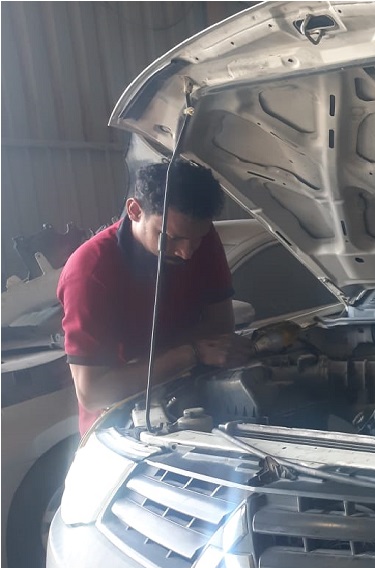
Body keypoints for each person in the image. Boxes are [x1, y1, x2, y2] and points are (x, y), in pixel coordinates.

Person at [58, 160, 248, 435]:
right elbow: (94, 392)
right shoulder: (90, 271)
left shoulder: (197, 237)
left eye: (197, 238)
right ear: (134, 210)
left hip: (194, 405)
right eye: (170, 237)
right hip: (122, 429)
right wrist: (192, 353)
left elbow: (221, 326)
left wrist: (183, 356)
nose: (187, 252)